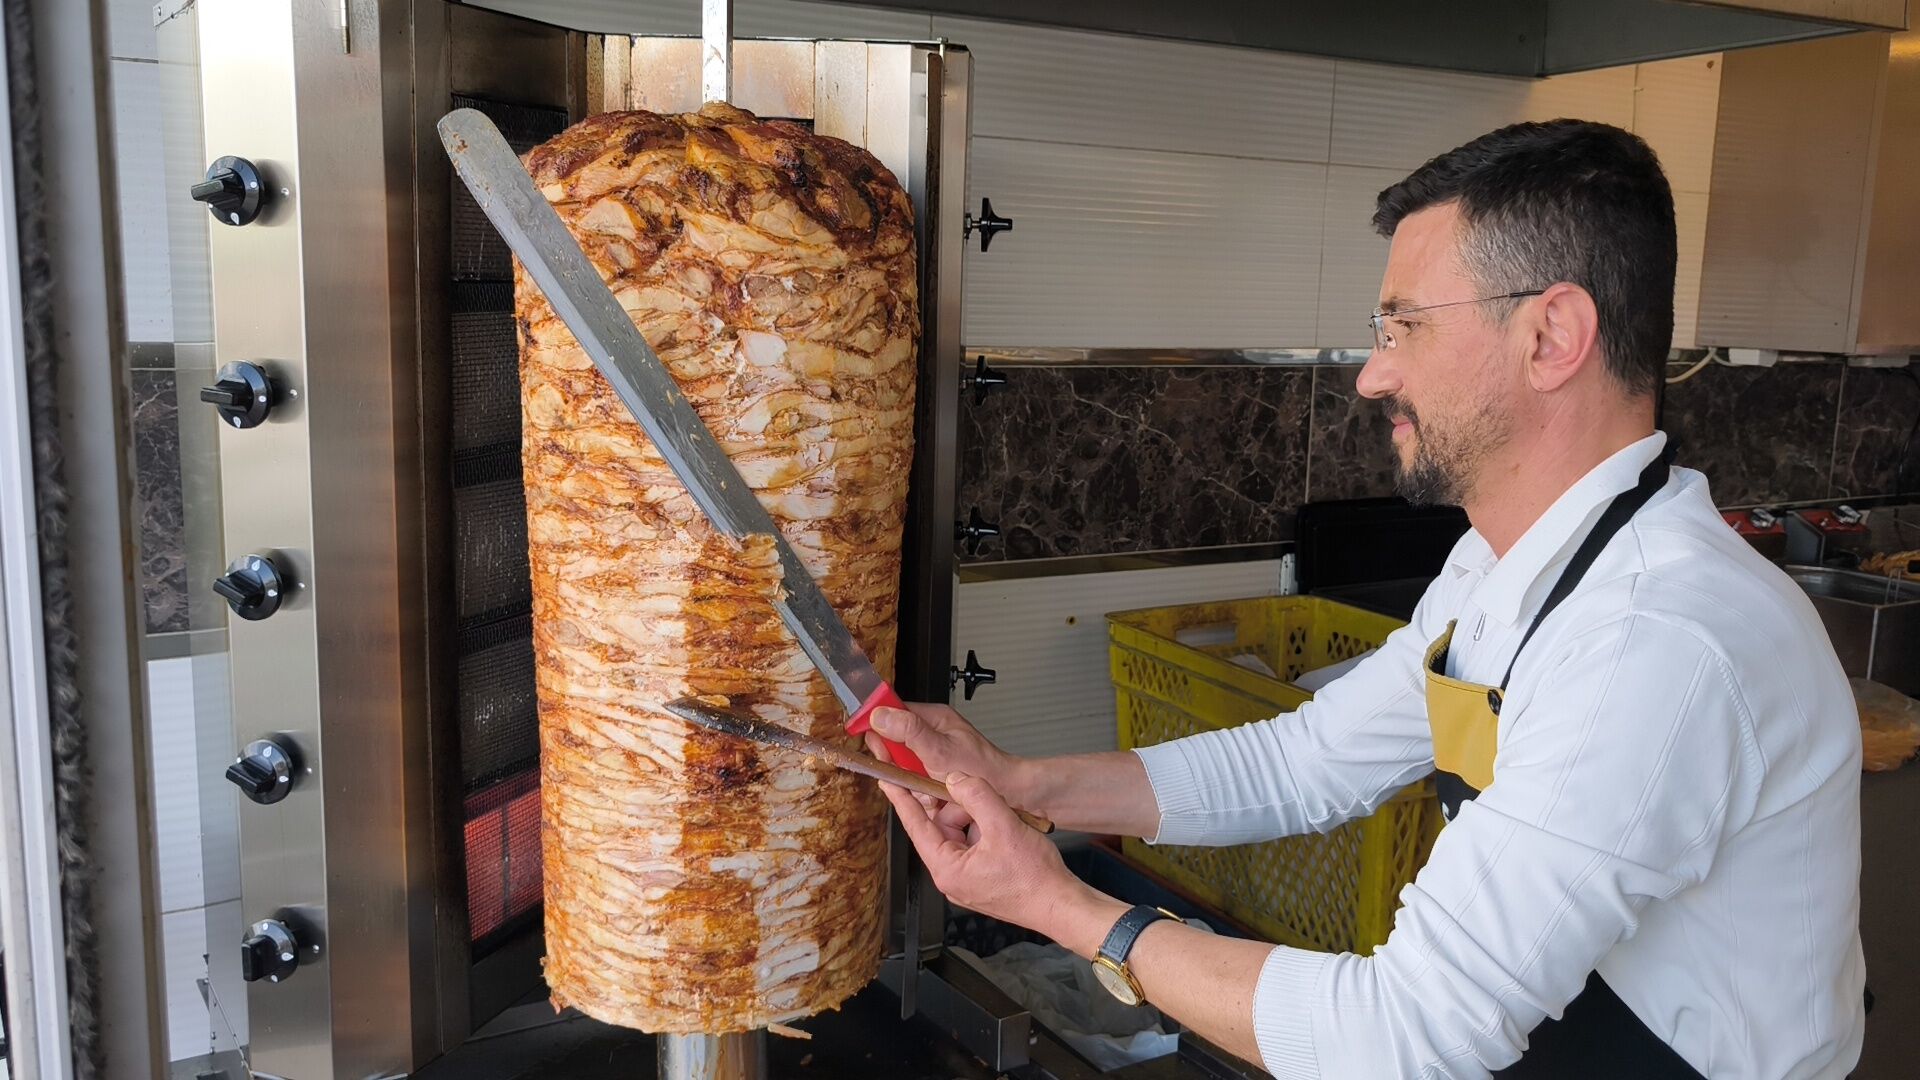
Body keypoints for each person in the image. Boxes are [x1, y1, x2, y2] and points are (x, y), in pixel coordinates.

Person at [869, 120, 1865, 1078]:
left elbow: (1403, 1038)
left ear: (1552, 334)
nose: (1373, 373)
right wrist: (1022, 785)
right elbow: (1306, 761)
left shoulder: (1653, 640)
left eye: (1405, 325)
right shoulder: (1506, 565)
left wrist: (1072, 912)